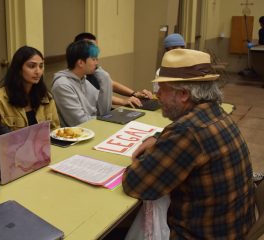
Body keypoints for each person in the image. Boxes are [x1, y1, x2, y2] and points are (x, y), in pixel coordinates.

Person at [122, 49, 256, 239]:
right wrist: (160, 139)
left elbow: (136, 184)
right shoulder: (215, 113)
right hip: (234, 229)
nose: (157, 95)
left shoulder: (187, 132)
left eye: (163, 89)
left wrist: (142, 159)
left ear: (183, 94)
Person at [74, 32, 153, 108]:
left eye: (96, 48)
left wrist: (135, 94)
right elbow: (98, 97)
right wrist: (122, 101)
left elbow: (111, 84)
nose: (95, 53)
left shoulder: (93, 68)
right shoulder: (75, 79)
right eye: (91, 49)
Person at [0, 46, 60, 131]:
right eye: (32, 66)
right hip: (16, 144)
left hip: (47, 144)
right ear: (19, 69)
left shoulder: (45, 96)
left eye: (41, 66)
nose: (38, 71)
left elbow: (55, 129)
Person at [51, 40, 111, 127]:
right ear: (80, 63)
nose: (96, 63)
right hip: (75, 136)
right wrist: (104, 119)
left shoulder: (83, 80)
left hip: (92, 129)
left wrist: (106, 80)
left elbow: (103, 111)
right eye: (93, 59)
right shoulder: (62, 86)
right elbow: (80, 123)